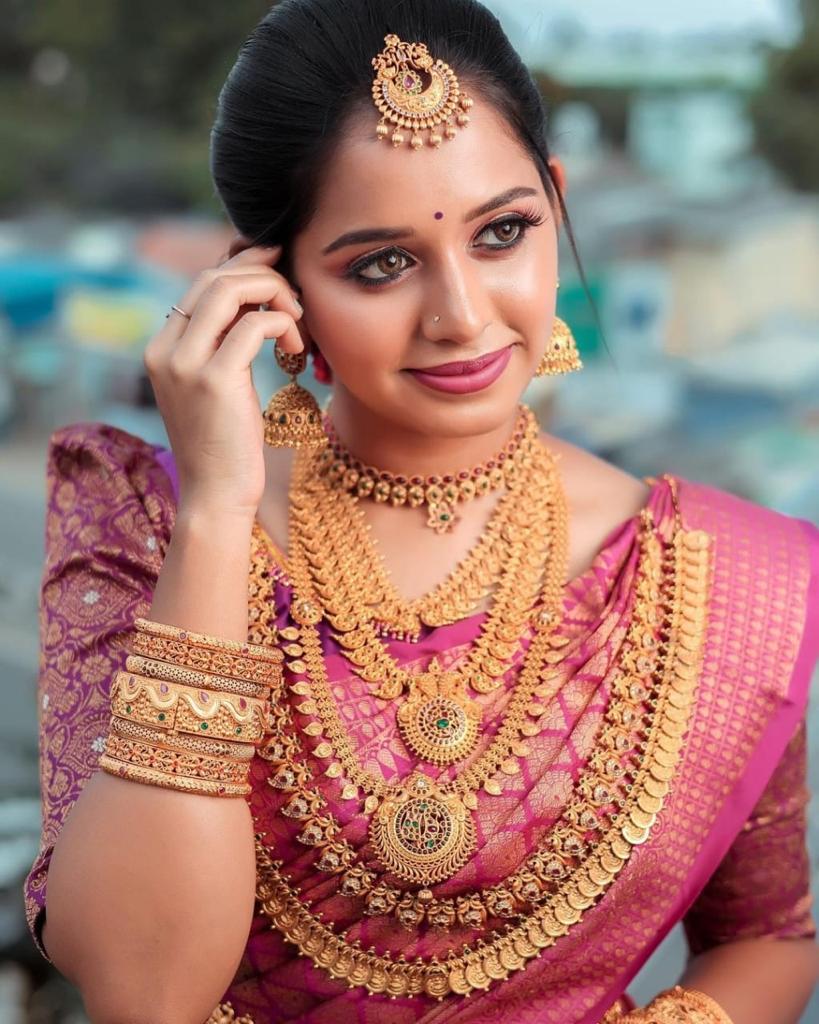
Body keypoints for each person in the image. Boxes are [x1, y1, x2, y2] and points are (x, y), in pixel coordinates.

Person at [23, 1, 819, 1022]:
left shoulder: (719, 575)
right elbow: (145, 991)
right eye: (380, 264)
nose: (462, 314)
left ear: (558, 205)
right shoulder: (143, 520)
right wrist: (219, 514)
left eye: (503, 232)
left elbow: (768, 934)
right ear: (269, 282)